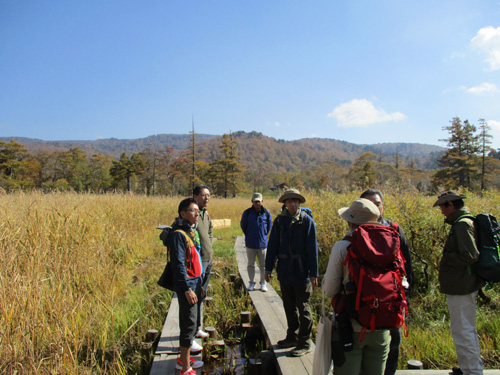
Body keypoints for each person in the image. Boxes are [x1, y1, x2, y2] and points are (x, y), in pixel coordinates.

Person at [323, 198, 391, 375]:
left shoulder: (342, 246)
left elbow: (329, 290)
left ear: (350, 222)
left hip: (351, 326)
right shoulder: (390, 245)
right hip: (382, 326)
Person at [360, 188, 413, 375]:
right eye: (369, 204)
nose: (374, 207)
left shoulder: (395, 229)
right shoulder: (358, 232)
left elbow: (407, 264)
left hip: (392, 300)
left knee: (393, 343)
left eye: (377, 203)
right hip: (365, 302)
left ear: (383, 206)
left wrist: (407, 294)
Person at [433, 191, 484, 375]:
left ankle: (472, 371)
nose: (441, 211)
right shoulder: (464, 222)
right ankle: (468, 368)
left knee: (463, 330)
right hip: (463, 284)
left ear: (451, 205)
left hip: (461, 285)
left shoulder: (462, 224)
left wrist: (447, 258)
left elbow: (470, 255)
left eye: (442, 207)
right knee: (464, 329)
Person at [265, 188, 319, 357]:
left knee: (303, 308)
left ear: (299, 203)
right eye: (289, 201)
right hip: (284, 270)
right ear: (285, 204)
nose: (293, 204)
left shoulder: (306, 222)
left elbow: (312, 249)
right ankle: (292, 336)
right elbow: (272, 245)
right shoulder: (280, 221)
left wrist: (314, 273)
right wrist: (268, 268)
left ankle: (304, 342)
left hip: (301, 271)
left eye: (296, 201)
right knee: (288, 306)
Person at [167, 197, 204, 375]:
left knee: (192, 321)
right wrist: (187, 289)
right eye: (192, 211)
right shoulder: (178, 235)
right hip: (188, 284)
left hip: (195, 282)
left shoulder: (189, 231)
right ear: (183, 213)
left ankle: (184, 358)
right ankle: (184, 369)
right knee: (188, 323)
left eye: (197, 211)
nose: (197, 214)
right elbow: (178, 265)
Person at [192, 185, 213, 340]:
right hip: (198, 261)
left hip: (208, 259)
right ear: (195, 196)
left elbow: (210, 232)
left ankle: (198, 327)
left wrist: (209, 248)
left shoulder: (205, 214)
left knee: (202, 294)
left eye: (208, 195)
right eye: (203, 195)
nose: (207, 198)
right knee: (196, 295)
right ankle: (193, 330)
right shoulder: (192, 214)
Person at [241, 192, 272, 292]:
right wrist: (249, 235)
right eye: (255, 201)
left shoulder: (266, 213)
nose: (257, 203)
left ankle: (263, 283)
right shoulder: (247, 213)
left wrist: (263, 235)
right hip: (250, 244)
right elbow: (243, 225)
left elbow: (269, 227)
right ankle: (251, 283)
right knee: (251, 264)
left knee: (263, 265)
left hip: (262, 244)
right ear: (252, 202)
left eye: (259, 201)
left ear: (262, 201)